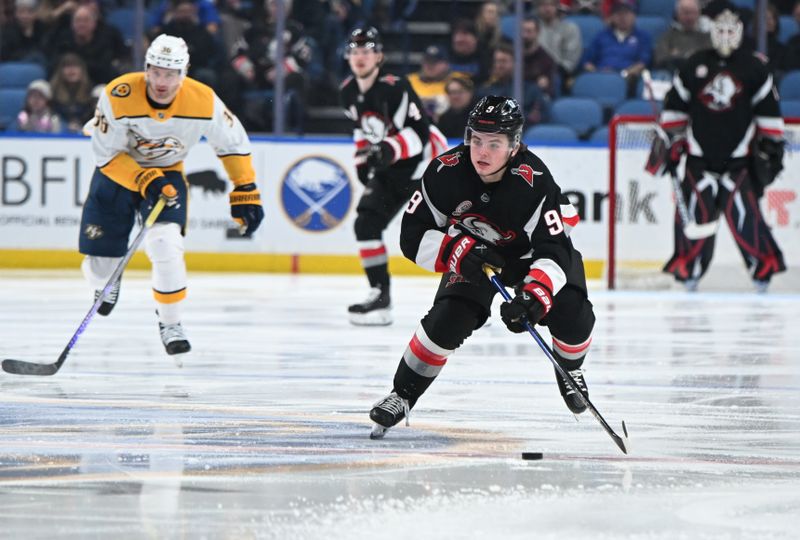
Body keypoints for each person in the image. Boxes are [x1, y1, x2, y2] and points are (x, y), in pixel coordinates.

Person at [368, 96, 595, 439]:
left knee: (575, 315)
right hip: (474, 256)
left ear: (514, 145)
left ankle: (571, 369)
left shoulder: (535, 181)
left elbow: (555, 248)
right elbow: (412, 235)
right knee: (447, 319)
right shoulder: (445, 172)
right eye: (476, 140)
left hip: (529, 257)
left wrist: (535, 295)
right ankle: (402, 393)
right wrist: (455, 251)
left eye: (494, 143)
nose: (481, 152)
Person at [79, 34, 264, 355]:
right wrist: (143, 176)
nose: (162, 81)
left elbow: (232, 142)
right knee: (100, 266)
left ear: (185, 72)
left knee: (166, 243)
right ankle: (104, 284)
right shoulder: (119, 93)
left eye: (171, 73)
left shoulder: (203, 100)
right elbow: (105, 156)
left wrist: (245, 187)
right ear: (146, 69)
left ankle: (171, 321)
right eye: (157, 72)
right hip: (117, 175)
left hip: (167, 175)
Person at [645, 5, 786, 292]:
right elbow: (675, 109)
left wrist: (772, 150)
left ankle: (762, 273)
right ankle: (690, 272)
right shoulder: (694, 63)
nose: (724, 35)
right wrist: (671, 144)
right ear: (711, 31)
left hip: (739, 162)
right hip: (698, 160)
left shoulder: (754, 67)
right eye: (719, 29)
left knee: (746, 218)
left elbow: (768, 113)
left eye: (730, 30)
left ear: (740, 32)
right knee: (695, 218)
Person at [340, 26, 448, 326]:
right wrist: (362, 161)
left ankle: (472, 296)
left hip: (429, 164)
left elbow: (420, 133)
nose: (360, 57)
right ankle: (379, 295)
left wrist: (384, 151)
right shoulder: (348, 91)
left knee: (454, 228)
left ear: (379, 56)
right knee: (366, 223)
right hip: (394, 165)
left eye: (367, 51)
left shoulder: (394, 86)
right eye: (355, 51)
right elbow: (362, 130)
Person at [653, 0, 712, 72]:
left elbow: (713, 59)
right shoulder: (668, 37)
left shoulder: (706, 37)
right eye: (686, 13)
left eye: (693, 13)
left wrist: (676, 54)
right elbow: (660, 59)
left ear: (698, 14)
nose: (690, 17)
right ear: (678, 14)